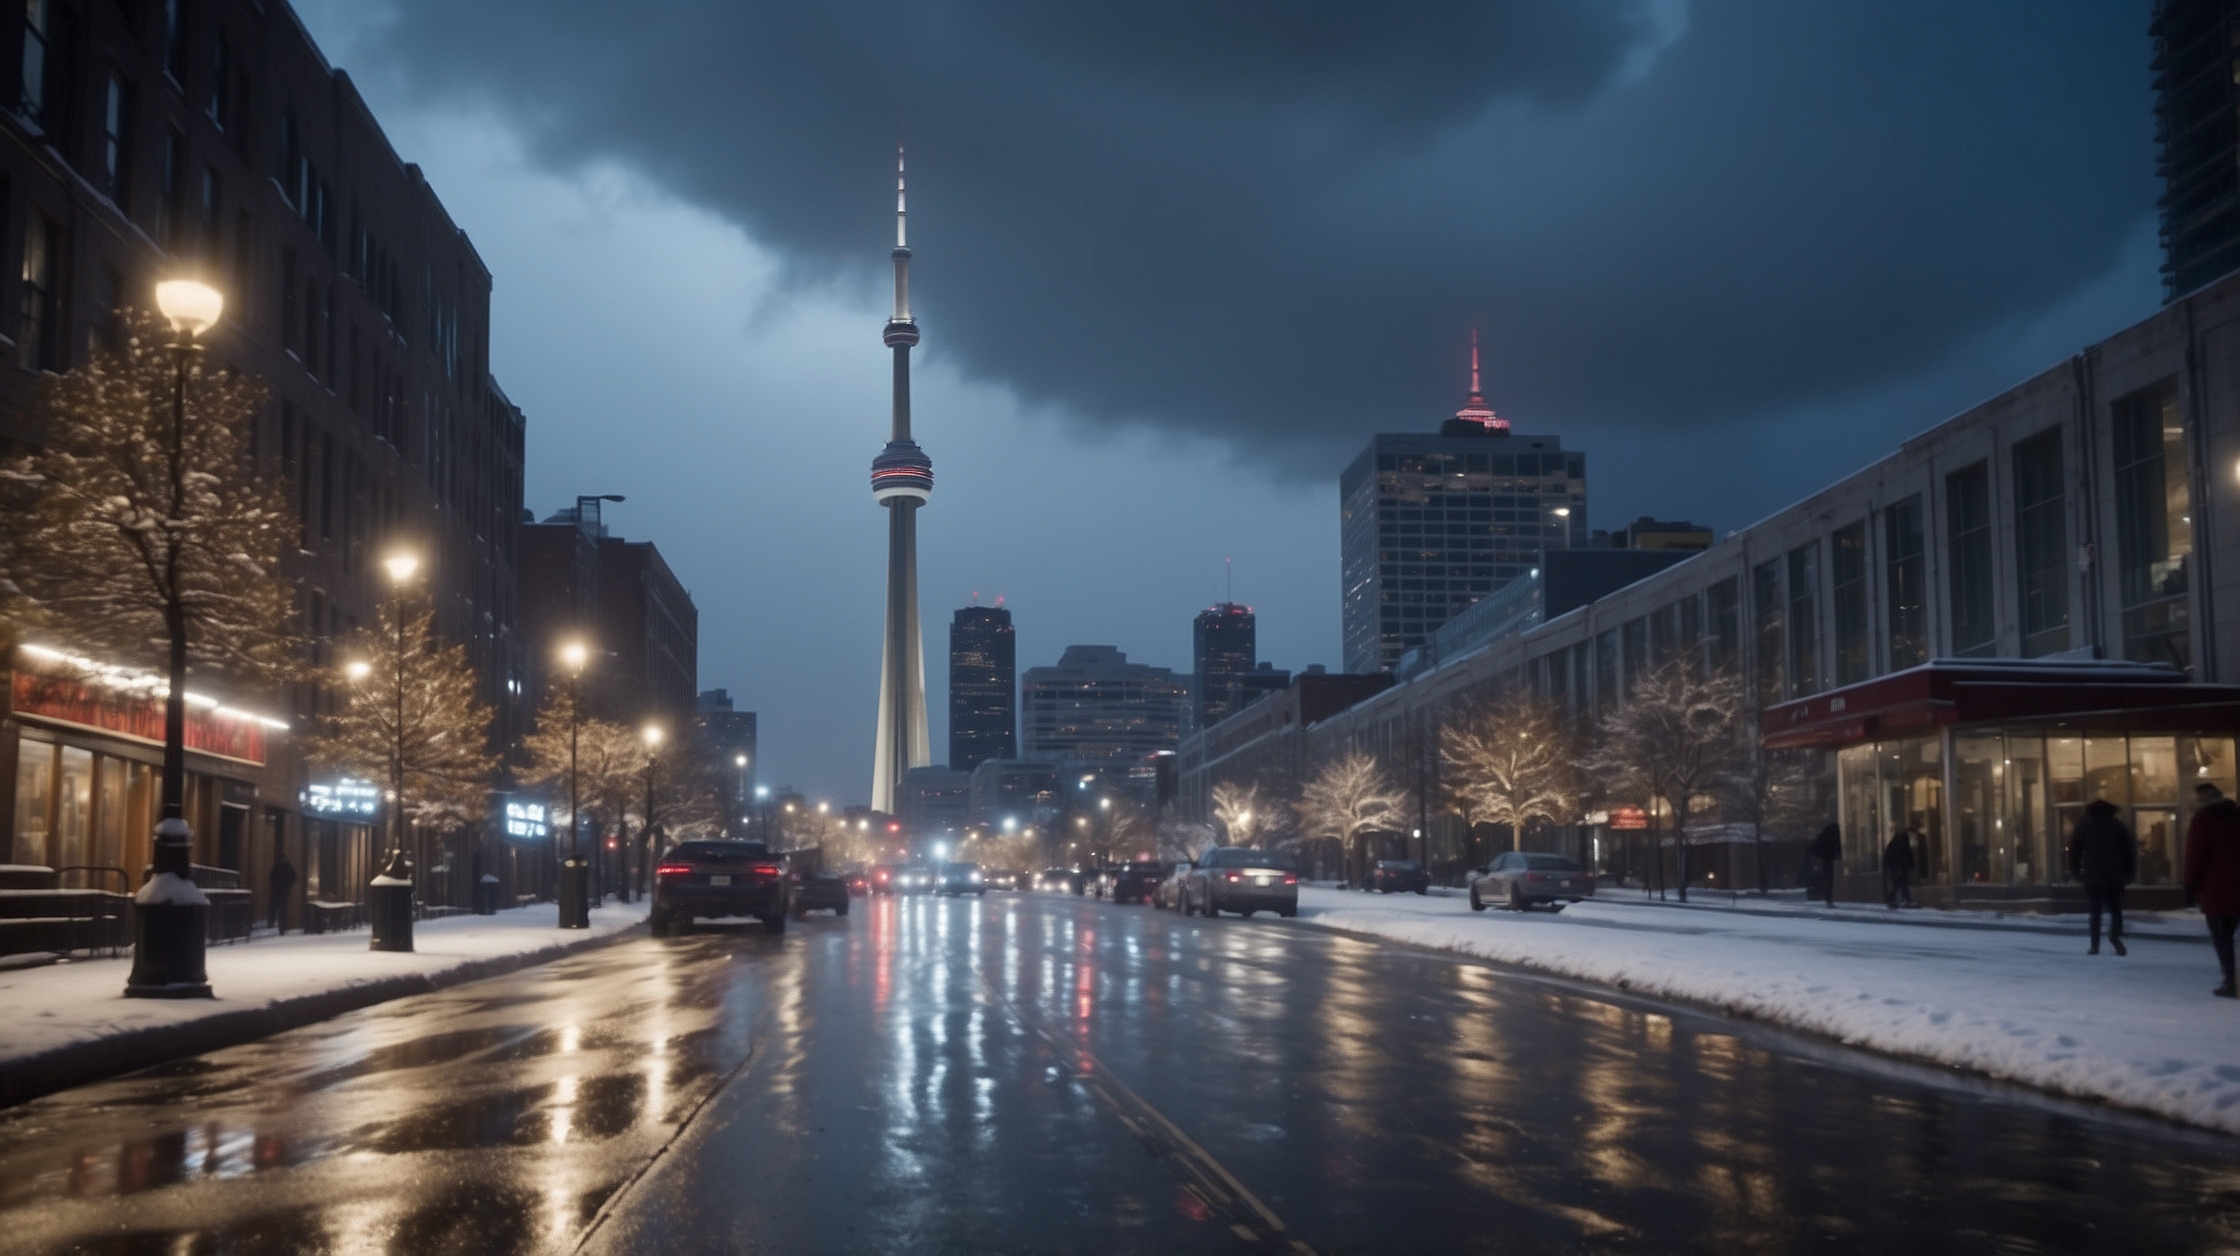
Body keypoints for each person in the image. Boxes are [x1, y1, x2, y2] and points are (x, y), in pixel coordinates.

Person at [2184, 782, 2240, 998]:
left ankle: (2230, 980)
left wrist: (2189, 886)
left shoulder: (2203, 820)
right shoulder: (2237, 817)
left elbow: (2195, 856)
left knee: (2222, 937)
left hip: (2215, 889)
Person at [2066, 799, 2135, 956]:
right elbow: (2129, 852)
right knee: (2116, 910)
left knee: (2095, 912)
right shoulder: (2117, 825)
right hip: (2114, 876)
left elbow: (2074, 851)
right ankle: (2115, 938)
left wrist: (2076, 871)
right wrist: (2129, 873)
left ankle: (2094, 945)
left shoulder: (2084, 825)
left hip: (2093, 876)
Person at [1809, 823, 1842, 908]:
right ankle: (1827, 897)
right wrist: (1838, 854)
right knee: (1829, 878)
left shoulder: (1825, 835)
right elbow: (1837, 846)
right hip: (1828, 858)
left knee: (1827, 877)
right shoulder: (1833, 835)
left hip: (1824, 858)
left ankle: (1826, 896)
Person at [1882, 828, 1915, 908]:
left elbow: (1887, 856)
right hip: (1900, 867)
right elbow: (1908, 856)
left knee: (1900, 884)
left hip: (1895, 867)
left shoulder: (1894, 844)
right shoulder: (1903, 844)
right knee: (1901, 884)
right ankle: (1905, 899)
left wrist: (1886, 866)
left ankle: (1904, 899)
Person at [267, 854, 297, 933]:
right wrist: (288, 884)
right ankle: (281, 927)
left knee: (275, 908)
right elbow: (294, 877)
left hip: (278, 890)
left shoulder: (278, 867)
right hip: (283, 891)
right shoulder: (287, 867)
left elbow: (271, 876)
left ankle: (274, 924)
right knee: (281, 910)